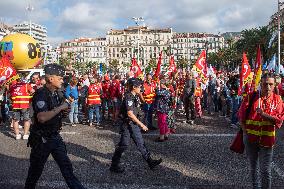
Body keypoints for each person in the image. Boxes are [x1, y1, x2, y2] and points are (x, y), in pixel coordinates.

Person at [25, 64, 85, 189]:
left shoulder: (57, 93)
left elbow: (55, 112)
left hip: (54, 137)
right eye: (60, 78)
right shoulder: (41, 94)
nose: (63, 80)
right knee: (35, 171)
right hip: (42, 139)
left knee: (67, 168)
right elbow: (41, 117)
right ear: (51, 79)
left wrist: (63, 112)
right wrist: (60, 108)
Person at [238, 73, 284, 189]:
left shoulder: (278, 100)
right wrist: (245, 134)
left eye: (270, 84)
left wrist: (264, 115)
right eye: (265, 84)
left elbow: (279, 121)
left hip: (267, 141)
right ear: (261, 84)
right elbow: (241, 116)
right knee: (253, 168)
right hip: (250, 139)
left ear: (275, 85)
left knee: (266, 171)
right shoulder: (250, 97)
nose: (268, 87)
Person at [110, 78, 162, 173]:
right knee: (124, 145)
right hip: (128, 124)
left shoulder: (135, 95)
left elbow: (143, 102)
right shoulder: (129, 97)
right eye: (139, 86)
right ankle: (114, 165)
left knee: (140, 143)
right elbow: (130, 114)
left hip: (132, 124)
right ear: (134, 87)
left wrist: (140, 94)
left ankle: (150, 161)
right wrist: (142, 125)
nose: (141, 88)